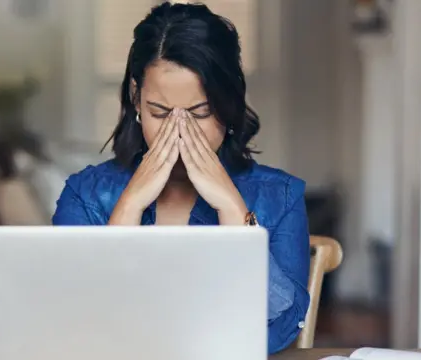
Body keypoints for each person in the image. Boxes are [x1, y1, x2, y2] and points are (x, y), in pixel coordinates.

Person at [52, 1, 310, 354]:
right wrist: (129, 208)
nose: (179, 131)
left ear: (227, 103)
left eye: (200, 113)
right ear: (136, 99)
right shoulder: (85, 195)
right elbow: (71, 323)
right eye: (160, 112)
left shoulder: (280, 197)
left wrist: (233, 212)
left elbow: (280, 330)